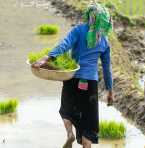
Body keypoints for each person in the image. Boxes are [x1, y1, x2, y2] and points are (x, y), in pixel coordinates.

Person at [32, 2, 114, 148]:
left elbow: (65, 44)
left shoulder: (79, 30)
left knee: (66, 111)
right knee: (88, 128)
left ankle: (70, 134)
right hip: (90, 85)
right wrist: (110, 91)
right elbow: (107, 68)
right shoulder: (104, 41)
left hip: (72, 79)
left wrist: (47, 57)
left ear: (89, 16)